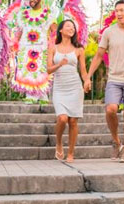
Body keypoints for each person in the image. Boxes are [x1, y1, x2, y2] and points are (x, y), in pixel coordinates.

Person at [87, 0, 124, 163]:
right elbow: (99, 56)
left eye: (121, 10)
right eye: (116, 11)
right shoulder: (108, 32)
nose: (119, 14)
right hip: (114, 78)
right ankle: (116, 142)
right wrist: (87, 77)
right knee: (110, 110)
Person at [48, 19, 91, 163]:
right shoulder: (53, 48)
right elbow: (48, 70)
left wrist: (87, 80)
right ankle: (59, 143)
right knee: (62, 118)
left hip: (75, 87)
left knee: (73, 121)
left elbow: (83, 71)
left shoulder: (79, 49)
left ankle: (71, 153)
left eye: (73, 27)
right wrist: (59, 64)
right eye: (68, 26)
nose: (71, 29)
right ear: (60, 30)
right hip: (60, 88)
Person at [11, 0, 57, 102]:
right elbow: (19, 31)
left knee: (41, 69)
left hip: (42, 47)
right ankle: (30, 95)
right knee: (27, 69)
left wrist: (55, 45)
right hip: (25, 47)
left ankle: (42, 95)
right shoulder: (22, 14)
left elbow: (54, 31)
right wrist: (14, 44)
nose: (31, 0)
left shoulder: (48, 13)